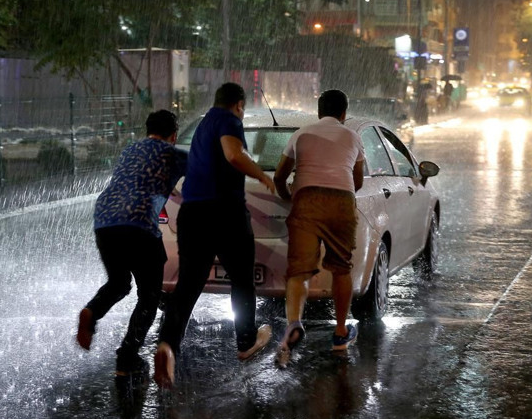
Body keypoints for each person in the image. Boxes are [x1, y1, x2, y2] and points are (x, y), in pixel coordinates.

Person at [153, 82, 275, 389]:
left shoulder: (204, 124)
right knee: (242, 280)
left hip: (192, 214)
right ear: (238, 105)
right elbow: (234, 155)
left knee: (188, 286)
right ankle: (246, 342)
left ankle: (167, 344)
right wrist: (261, 174)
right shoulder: (228, 120)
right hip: (225, 213)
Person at [77, 110, 187, 378]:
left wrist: (169, 190)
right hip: (139, 224)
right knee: (149, 296)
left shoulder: (131, 150)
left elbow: (140, 179)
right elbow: (208, 173)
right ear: (173, 135)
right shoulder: (175, 154)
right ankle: (127, 358)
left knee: (118, 283)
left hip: (105, 220)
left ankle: (92, 312)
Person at [272, 89, 365, 368]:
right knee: (341, 268)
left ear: (318, 111)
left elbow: (280, 175)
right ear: (343, 114)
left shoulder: (301, 134)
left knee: (298, 272)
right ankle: (339, 333)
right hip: (341, 203)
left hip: (307, 200)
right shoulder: (353, 137)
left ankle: (294, 323)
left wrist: (289, 195)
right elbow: (357, 181)